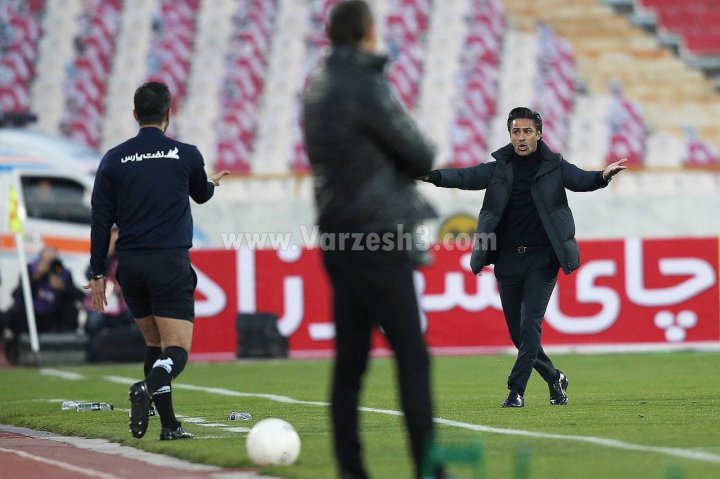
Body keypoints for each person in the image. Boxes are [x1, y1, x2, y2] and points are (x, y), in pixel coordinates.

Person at [302, 2, 441, 478]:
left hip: (337, 234)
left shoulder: (317, 86)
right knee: (412, 354)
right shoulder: (364, 85)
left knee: (351, 361)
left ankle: (351, 469)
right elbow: (419, 152)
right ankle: (428, 467)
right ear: (366, 33)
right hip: (377, 234)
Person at [423, 107, 626, 408]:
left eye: (527, 131)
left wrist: (602, 176)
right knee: (518, 334)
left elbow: (581, 179)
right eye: (516, 131)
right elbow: (464, 177)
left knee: (530, 325)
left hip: (542, 260)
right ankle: (555, 378)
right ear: (510, 135)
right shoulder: (498, 168)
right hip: (506, 261)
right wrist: (431, 176)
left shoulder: (554, 166)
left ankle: (515, 390)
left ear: (539, 134)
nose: (521, 137)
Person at [86, 81, 228, 440]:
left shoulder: (114, 159)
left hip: (129, 268)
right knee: (176, 350)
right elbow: (200, 194)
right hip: (168, 263)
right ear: (170, 113)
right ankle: (146, 389)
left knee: (155, 345)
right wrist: (211, 184)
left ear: (135, 115)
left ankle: (168, 425)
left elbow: (101, 219)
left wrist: (98, 271)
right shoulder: (186, 154)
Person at [4, 247, 84, 363]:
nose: (50, 265)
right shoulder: (30, 270)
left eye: (53, 261)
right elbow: (19, 295)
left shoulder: (63, 273)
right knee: (17, 311)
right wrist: (36, 277)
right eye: (47, 261)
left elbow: (79, 295)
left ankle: (64, 351)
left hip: (54, 315)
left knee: (71, 310)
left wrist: (63, 287)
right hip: (33, 315)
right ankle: (18, 351)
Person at [83, 226, 135, 362]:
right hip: (102, 302)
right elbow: (90, 273)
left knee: (136, 317)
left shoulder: (128, 257)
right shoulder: (100, 256)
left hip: (123, 303)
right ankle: (93, 355)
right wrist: (107, 253)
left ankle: (128, 354)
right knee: (94, 321)